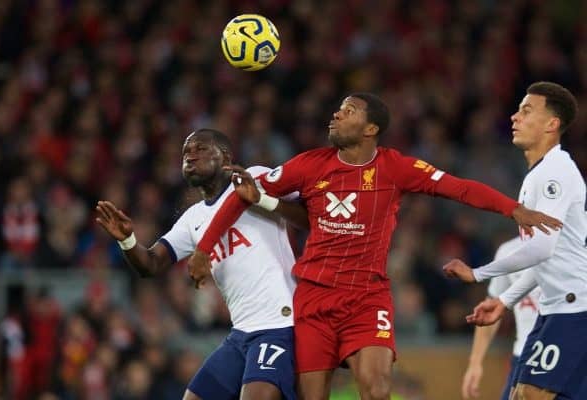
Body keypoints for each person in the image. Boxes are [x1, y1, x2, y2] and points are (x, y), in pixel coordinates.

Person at [188, 92, 562, 400]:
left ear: (370, 128)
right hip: (315, 300)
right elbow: (242, 196)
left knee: (377, 389)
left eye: (348, 111)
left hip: (367, 299)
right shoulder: (309, 165)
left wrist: (513, 209)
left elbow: (458, 187)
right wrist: (204, 249)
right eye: (337, 109)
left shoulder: (394, 168)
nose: (335, 114)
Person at [95, 128, 308, 400]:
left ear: (226, 157)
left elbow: (309, 217)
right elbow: (150, 264)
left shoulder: (252, 178)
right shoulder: (192, 218)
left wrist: (264, 200)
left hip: (279, 324)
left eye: (200, 149)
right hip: (241, 333)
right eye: (185, 152)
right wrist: (127, 240)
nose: (190, 156)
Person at [444, 82, 587, 399]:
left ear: (552, 124)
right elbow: (547, 258)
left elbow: (541, 248)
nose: (514, 117)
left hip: (575, 309)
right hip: (558, 309)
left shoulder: (554, 173)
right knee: (523, 394)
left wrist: (478, 273)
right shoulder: (539, 174)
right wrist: (506, 301)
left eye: (526, 111)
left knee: (528, 394)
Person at [461, 237, 540, 400]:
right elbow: (491, 308)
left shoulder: (576, 245)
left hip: (571, 355)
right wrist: (475, 363)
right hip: (524, 358)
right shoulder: (508, 251)